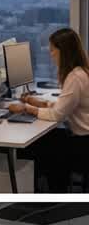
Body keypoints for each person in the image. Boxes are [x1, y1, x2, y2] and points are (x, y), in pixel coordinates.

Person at [9, 28, 89, 192]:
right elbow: (65, 105)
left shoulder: (75, 77)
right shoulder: (80, 72)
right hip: (83, 138)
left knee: (38, 148)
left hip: (83, 144)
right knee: (50, 140)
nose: (51, 54)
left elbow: (57, 115)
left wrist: (26, 108)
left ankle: (49, 194)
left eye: (53, 49)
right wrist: (40, 103)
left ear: (63, 52)